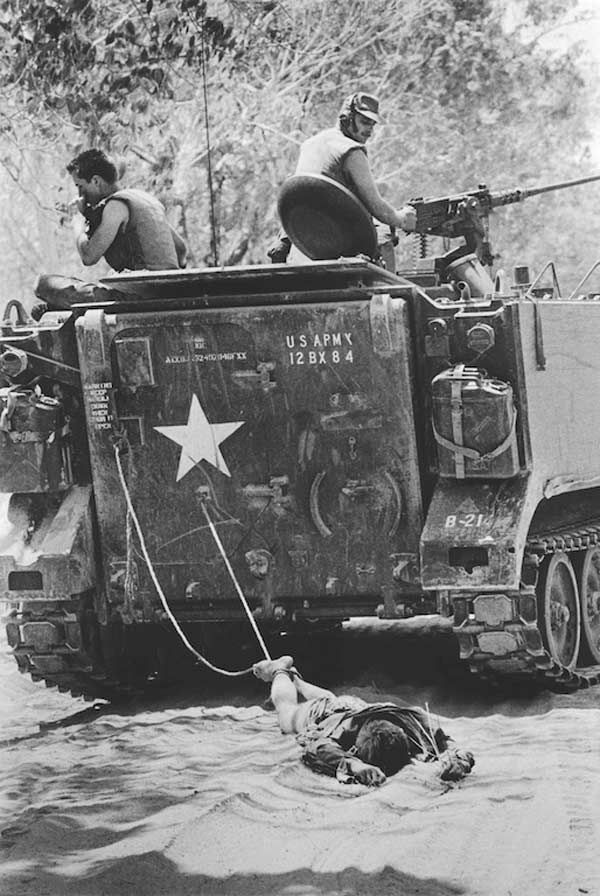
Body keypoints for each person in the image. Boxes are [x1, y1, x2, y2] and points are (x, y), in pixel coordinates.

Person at [253, 655, 475, 787]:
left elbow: (445, 741)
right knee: (286, 713)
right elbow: (318, 748)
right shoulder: (343, 733)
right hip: (322, 714)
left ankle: (295, 678)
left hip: (348, 705)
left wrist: (459, 758)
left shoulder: (409, 721)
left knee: (329, 697)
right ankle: (279, 671)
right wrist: (354, 764)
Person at [33, 149, 187, 317]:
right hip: (164, 293)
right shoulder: (143, 199)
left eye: (80, 186)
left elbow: (89, 256)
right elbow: (181, 250)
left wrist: (77, 220)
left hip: (137, 298)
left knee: (42, 284)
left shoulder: (115, 206)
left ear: (96, 181)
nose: (80, 194)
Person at [269, 91, 416, 265]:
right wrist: (402, 219)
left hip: (303, 240)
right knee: (385, 232)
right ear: (346, 119)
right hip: (339, 243)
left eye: (372, 125)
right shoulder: (352, 151)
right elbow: (377, 206)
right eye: (364, 122)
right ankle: (389, 283)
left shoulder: (310, 144)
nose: (369, 131)